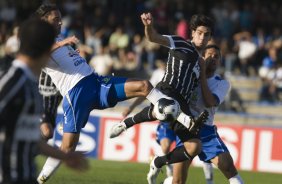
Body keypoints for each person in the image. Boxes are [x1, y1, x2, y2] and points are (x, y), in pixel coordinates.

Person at [34, 4, 199, 183]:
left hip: (96, 82)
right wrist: (63, 43)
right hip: (76, 94)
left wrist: (70, 51)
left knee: (144, 85)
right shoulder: (40, 39)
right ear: (43, 21)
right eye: (55, 19)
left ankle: (182, 117)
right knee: (67, 148)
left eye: (60, 18)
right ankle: (40, 180)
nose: (60, 22)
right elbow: (37, 55)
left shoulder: (58, 38)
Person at [110, 12, 214, 184]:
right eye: (200, 33)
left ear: (210, 36)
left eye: (207, 34)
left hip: (183, 104)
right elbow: (154, 38)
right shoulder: (180, 43)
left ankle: (158, 161)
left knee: (194, 146)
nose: (203, 37)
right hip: (167, 91)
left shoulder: (201, 62)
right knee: (169, 107)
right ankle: (127, 123)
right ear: (193, 32)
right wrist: (148, 26)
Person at [0, 18, 88, 184]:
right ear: (49, 50)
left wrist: (65, 156)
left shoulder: (31, 84)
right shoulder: (11, 82)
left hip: (26, 177)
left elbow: (30, 139)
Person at [163, 44, 244, 184]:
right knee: (177, 181)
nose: (213, 58)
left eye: (217, 57)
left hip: (206, 131)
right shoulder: (189, 76)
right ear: (202, 58)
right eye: (210, 55)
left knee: (229, 168)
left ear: (219, 61)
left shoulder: (222, 83)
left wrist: (202, 78)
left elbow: (209, 102)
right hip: (185, 130)